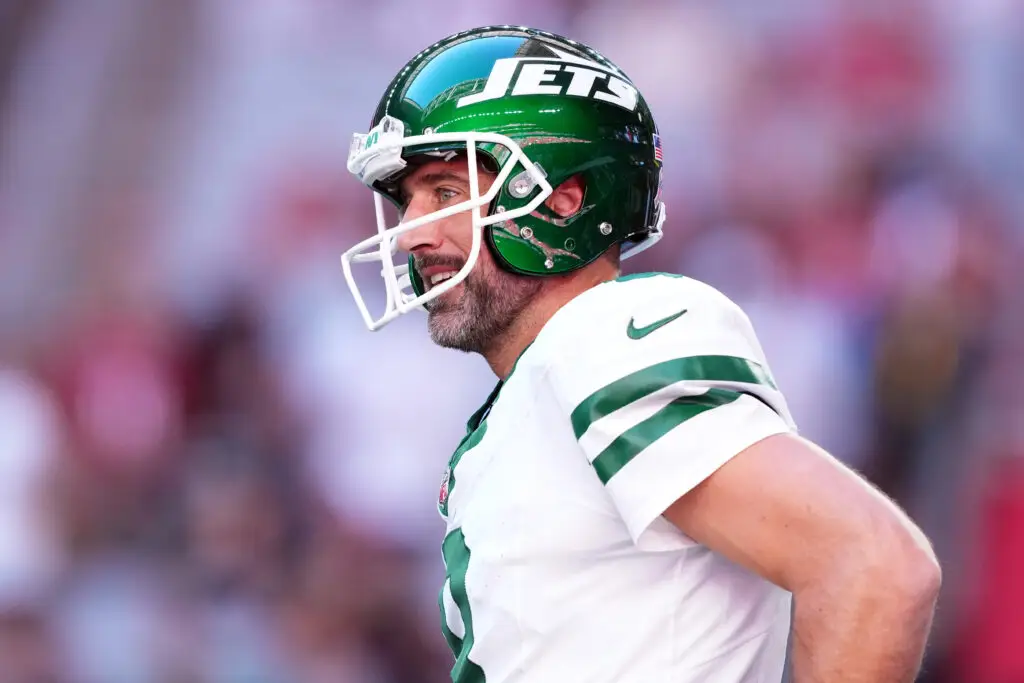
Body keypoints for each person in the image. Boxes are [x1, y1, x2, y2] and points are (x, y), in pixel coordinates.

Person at [341, 25, 940, 683]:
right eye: (407, 202)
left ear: (562, 200)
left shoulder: (605, 333)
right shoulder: (534, 388)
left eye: (445, 192)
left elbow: (872, 564)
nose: (407, 235)